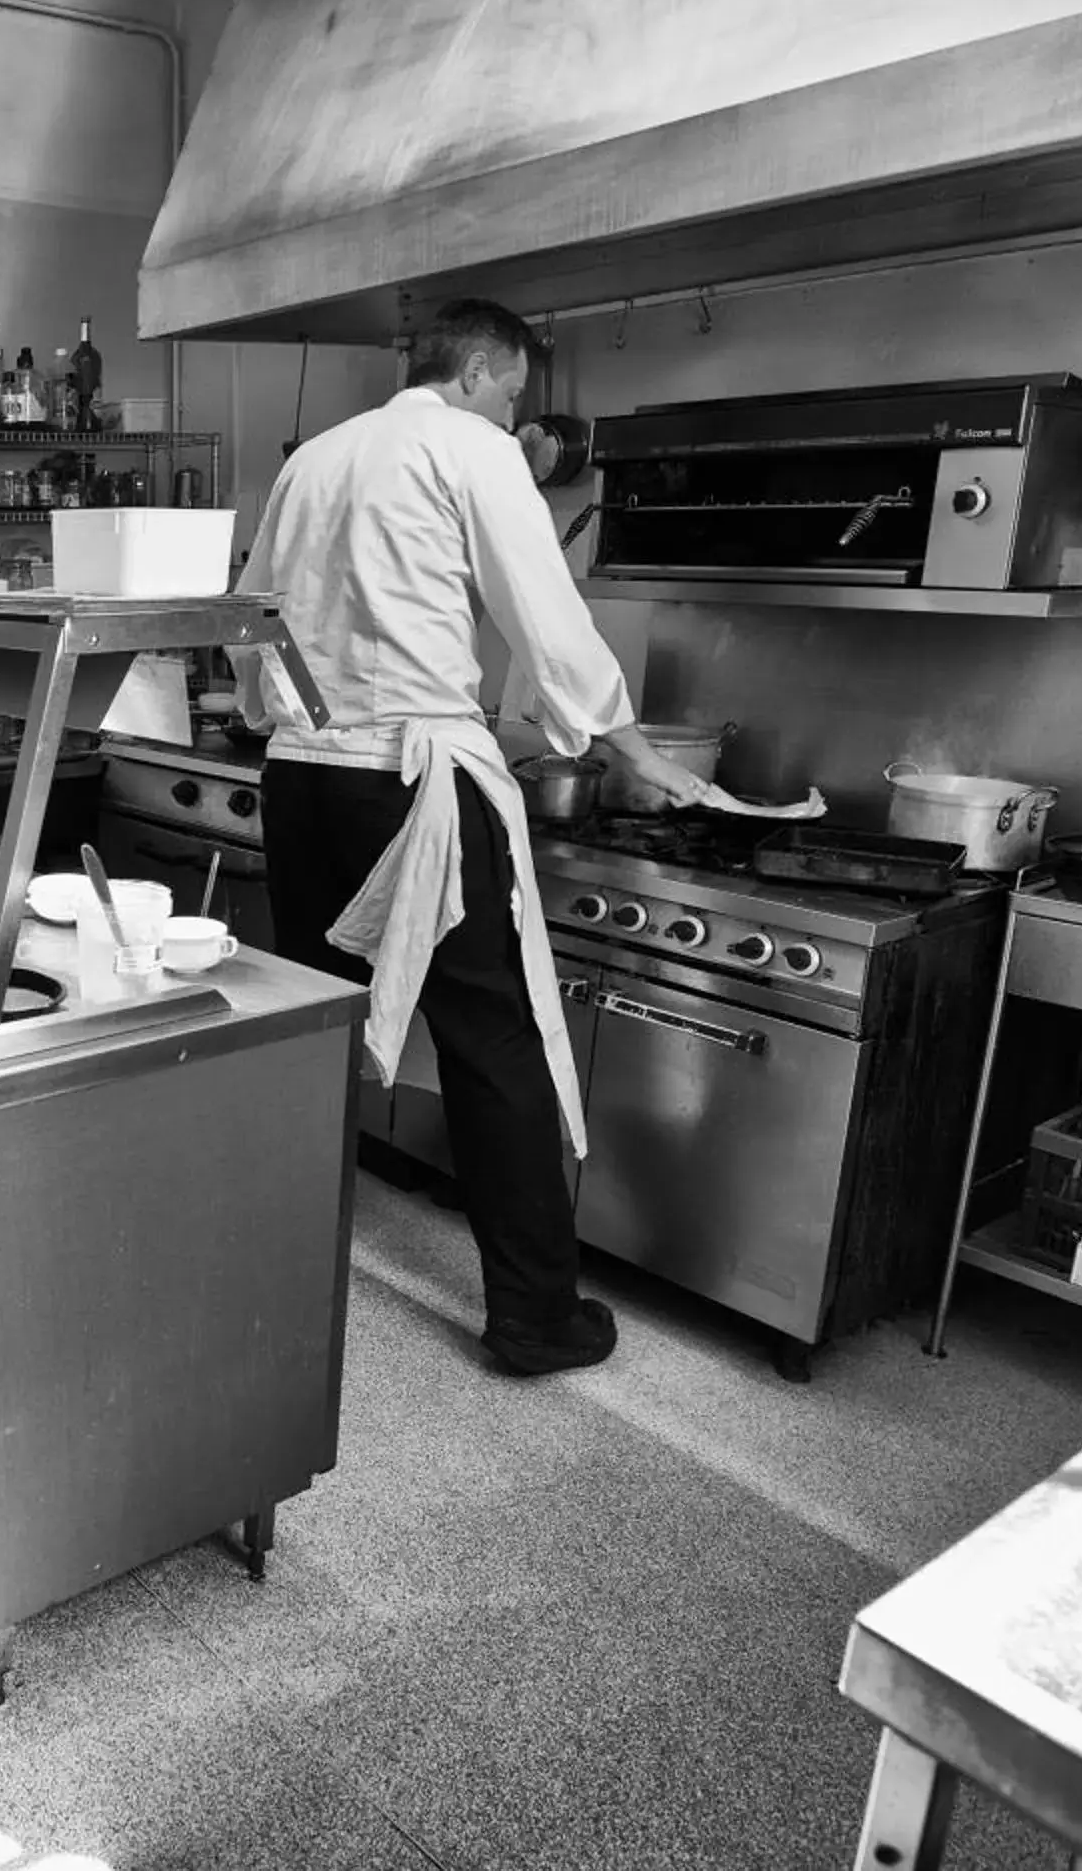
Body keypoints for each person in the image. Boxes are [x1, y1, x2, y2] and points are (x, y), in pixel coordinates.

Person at [237, 299, 709, 1378]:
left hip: (305, 778)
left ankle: (265, 1263)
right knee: (493, 1040)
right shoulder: (472, 449)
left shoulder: (315, 457)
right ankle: (538, 1317)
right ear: (483, 368)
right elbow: (547, 617)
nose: (517, 414)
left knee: (310, 1032)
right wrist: (633, 749)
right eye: (513, 391)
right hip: (416, 791)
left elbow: (251, 609)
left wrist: (271, 717)